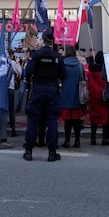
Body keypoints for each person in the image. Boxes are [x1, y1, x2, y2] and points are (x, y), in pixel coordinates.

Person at [23, 30, 66, 162]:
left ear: (43, 40)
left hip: (38, 89)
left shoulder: (36, 55)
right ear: (52, 41)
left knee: (33, 119)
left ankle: (29, 151)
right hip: (52, 90)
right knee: (52, 120)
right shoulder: (57, 57)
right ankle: (52, 152)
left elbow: (28, 71)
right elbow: (63, 74)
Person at [59, 47, 85, 149]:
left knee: (67, 121)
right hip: (77, 95)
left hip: (65, 95)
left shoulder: (63, 64)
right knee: (77, 120)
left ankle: (67, 140)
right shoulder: (79, 65)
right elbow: (83, 79)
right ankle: (77, 140)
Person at [87, 51, 108, 145]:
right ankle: (104, 139)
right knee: (104, 119)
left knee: (93, 119)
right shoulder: (105, 70)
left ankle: (93, 138)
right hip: (103, 95)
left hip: (93, 96)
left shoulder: (91, 70)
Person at [7, 50, 22, 138]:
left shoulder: (1, 62)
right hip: (10, 87)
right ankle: (13, 129)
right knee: (11, 110)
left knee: (0, 109)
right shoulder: (12, 63)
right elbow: (19, 72)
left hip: (2, 88)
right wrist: (17, 62)